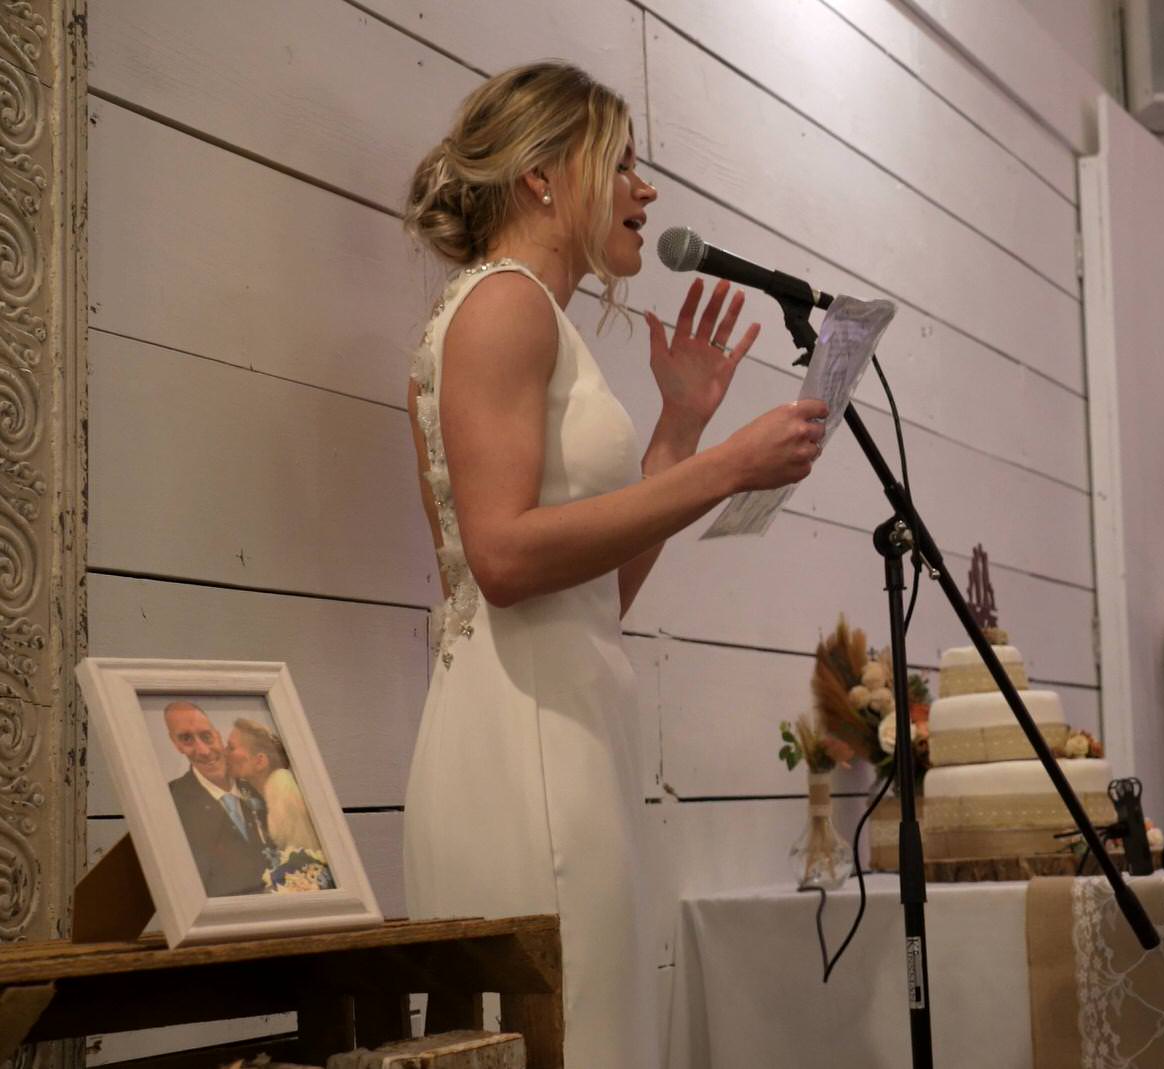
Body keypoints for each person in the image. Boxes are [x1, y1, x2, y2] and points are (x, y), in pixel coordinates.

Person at [399, 63, 825, 1063]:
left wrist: (678, 431)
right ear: (543, 176)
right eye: (621, 162)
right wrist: (722, 468)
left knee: (605, 1023)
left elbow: (598, 591)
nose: (647, 190)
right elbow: (502, 557)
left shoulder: (535, 317)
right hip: (527, 733)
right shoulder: (503, 306)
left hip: (572, 712)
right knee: (573, 1029)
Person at [162, 702, 270, 897]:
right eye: (186, 739)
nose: (203, 750)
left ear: (218, 734)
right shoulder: (168, 801)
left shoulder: (260, 785)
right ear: (175, 744)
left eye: (206, 736)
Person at [227, 718, 322, 857]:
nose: (224, 753)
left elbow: (302, 857)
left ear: (260, 761)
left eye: (231, 747)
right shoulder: (270, 788)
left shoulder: (281, 786)